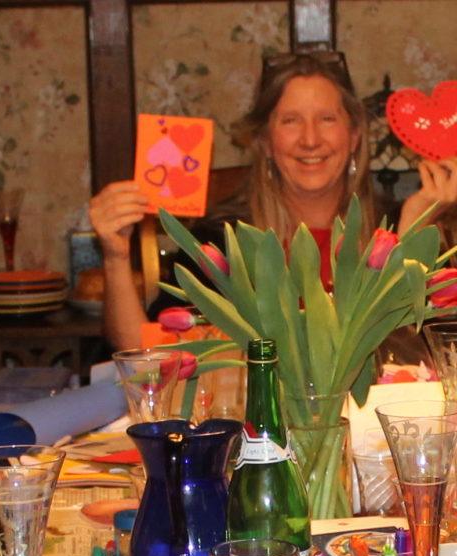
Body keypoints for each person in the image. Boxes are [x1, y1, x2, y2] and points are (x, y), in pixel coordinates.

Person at [92, 51, 457, 350]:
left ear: (355, 135)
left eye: (327, 119)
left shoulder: (396, 228)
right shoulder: (222, 240)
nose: (310, 140)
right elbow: (148, 358)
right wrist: (116, 255)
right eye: (291, 121)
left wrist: (414, 238)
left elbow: (428, 358)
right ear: (265, 140)